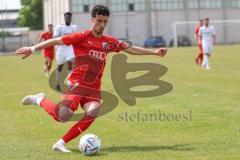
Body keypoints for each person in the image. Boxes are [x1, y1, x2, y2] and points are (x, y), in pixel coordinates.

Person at [16, 5, 167, 153]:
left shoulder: (109, 42)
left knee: (94, 111)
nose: (102, 25)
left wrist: (153, 52)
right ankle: (39, 99)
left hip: (94, 87)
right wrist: (32, 48)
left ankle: (60, 143)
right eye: (99, 21)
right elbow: (56, 41)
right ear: (92, 20)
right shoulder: (81, 37)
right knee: (63, 116)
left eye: (105, 22)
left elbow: (130, 49)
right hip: (78, 83)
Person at [54, 12, 77, 90]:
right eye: (66, 17)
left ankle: (70, 84)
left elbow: (75, 37)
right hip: (61, 49)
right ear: (64, 18)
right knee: (60, 66)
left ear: (71, 18)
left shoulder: (74, 27)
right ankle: (57, 83)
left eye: (69, 17)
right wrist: (62, 38)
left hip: (70, 48)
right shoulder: (59, 27)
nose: (68, 18)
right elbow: (54, 37)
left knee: (70, 64)